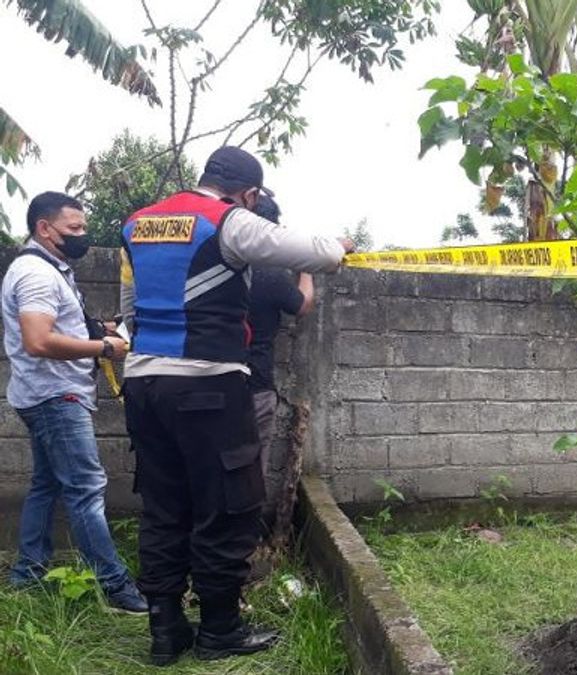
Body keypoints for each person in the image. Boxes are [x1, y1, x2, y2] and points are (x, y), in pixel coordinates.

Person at [119, 146, 352, 666]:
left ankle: (166, 629)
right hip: (209, 382)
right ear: (247, 193)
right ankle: (220, 630)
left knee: (163, 506)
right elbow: (320, 255)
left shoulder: (136, 224)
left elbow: (129, 308)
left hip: (143, 383)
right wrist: (339, 244)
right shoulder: (227, 221)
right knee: (228, 505)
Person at [3, 192, 146, 613]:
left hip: (45, 395)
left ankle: (28, 574)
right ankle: (116, 586)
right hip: (55, 397)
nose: (83, 236)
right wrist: (104, 347)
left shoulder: (51, 268)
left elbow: (56, 324)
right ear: (44, 229)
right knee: (86, 489)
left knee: (47, 486)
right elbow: (38, 339)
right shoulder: (35, 274)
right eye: (75, 229)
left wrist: (99, 327)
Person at [246, 194, 313, 490]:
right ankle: (244, 534)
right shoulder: (270, 275)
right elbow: (302, 304)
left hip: (210, 383)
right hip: (255, 385)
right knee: (251, 471)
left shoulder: (214, 267)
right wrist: (306, 268)